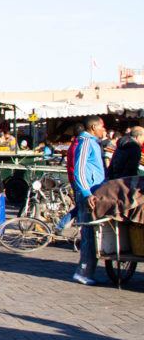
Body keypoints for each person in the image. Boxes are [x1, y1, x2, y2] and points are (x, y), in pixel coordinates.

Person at [71, 115, 107, 285]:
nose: (103, 130)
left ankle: (87, 271)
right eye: (101, 127)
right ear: (93, 127)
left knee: (94, 233)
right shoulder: (85, 143)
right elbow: (79, 170)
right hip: (88, 195)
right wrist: (86, 192)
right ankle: (83, 272)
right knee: (89, 234)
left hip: (95, 192)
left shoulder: (93, 143)